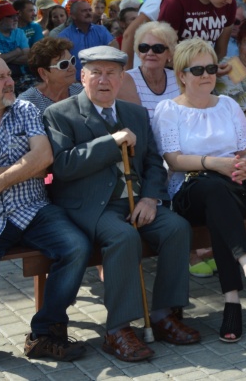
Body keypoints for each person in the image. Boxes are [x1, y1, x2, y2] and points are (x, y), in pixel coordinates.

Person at [44, 46, 199, 362]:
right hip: (91, 207)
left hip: (136, 201)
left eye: (111, 73)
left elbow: (154, 161)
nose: (104, 80)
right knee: (124, 237)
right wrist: (110, 143)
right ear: (83, 76)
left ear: (121, 78)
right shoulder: (60, 114)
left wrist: (151, 198)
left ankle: (164, 315)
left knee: (176, 228)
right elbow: (63, 166)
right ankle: (117, 330)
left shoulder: (135, 114)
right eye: (96, 73)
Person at [0, 52, 90, 374]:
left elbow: (44, 158)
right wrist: (27, 168)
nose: (10, 81)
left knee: (77, 247)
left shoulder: (25, 110)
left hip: (33, 208)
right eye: (0, 77)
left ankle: (45, 333)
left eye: (9, 74)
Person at [152, 38, 246, 344]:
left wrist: (244, 165)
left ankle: (234, 299)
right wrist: (215, 163)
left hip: (232, 189)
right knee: (212, 189)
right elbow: (173, 160)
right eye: (198, 70)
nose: (206, 75)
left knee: (220, 201)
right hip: (189, 191)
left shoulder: (228, 105)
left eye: (210, 68)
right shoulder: (168, 110)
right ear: (182, 75)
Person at [121, 0, 200, 67]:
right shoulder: (157, 4)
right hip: (144, 67)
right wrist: (127, 70)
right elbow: (129, 34)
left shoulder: (171, 3)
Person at [117, 21, 180, 120]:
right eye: (144, 48)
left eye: (158, 48)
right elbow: (136, 121)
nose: (150, 53)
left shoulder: (178, 78)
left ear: (169, 53)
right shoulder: (127, 80)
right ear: (138, 52)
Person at [17, 37, 83, 113]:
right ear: (43, 73)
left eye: (72, 61)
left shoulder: (80, 91)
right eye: (63, 65)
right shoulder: (27, 104)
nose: (72, 68)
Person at [59, 0, 115, 80]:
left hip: (101, 79)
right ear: (73, 15)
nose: (88, 13)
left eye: (90, 10)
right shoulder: (64, 36)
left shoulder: (101, 30)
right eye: (84, 11)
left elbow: (113, 49)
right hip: (76, 83)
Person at [0, 0, 31, 90]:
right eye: (11, 16)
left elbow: (28, 58)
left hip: (22, 77)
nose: (16, 19)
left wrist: (2, 58)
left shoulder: (20, 32)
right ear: (0, 20)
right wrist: (17, 52)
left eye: (16, 15)